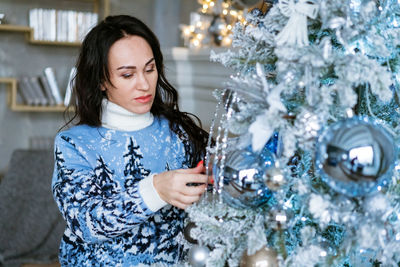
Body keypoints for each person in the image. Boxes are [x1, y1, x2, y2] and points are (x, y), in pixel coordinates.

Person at [52, 15, 209, 266]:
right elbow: (85, 224)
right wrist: (155, 189)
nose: (144, 84)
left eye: (150, 69)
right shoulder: (73, 144)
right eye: (127, 75)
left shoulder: (180, 132)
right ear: (101, 80)